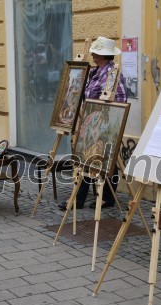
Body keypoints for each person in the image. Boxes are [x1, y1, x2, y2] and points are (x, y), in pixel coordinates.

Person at [59, 36, 127, 210]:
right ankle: (90, 198)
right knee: (88, 159)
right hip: (90, 122)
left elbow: (119, 100)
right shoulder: (95, 71)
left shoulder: (112, 73)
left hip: (103, 125)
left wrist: (104, 121)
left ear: (105, 56)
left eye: (96, 53)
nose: (93, 55)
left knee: (104, 161)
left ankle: (99, 198)